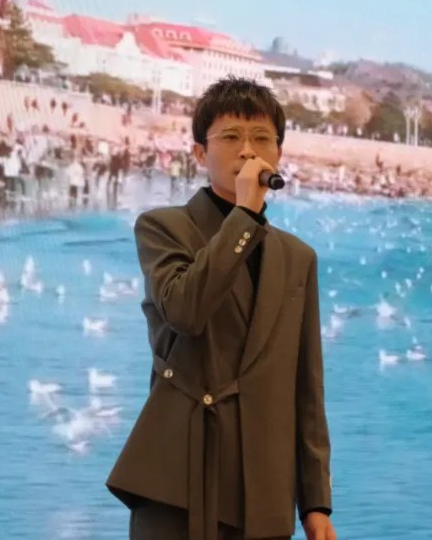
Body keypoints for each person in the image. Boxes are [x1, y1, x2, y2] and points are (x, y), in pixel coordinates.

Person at [106, 78, 335, 540]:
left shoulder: (298, 258)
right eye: (231, 136)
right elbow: (186, 310)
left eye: (262, 138)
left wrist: (315, 502)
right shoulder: (163, 227)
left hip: (263, 492)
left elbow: (306, 388)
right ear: (199, 153)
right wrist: (245, 215)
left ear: (278, 153)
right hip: (178, 479)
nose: (247, 150)